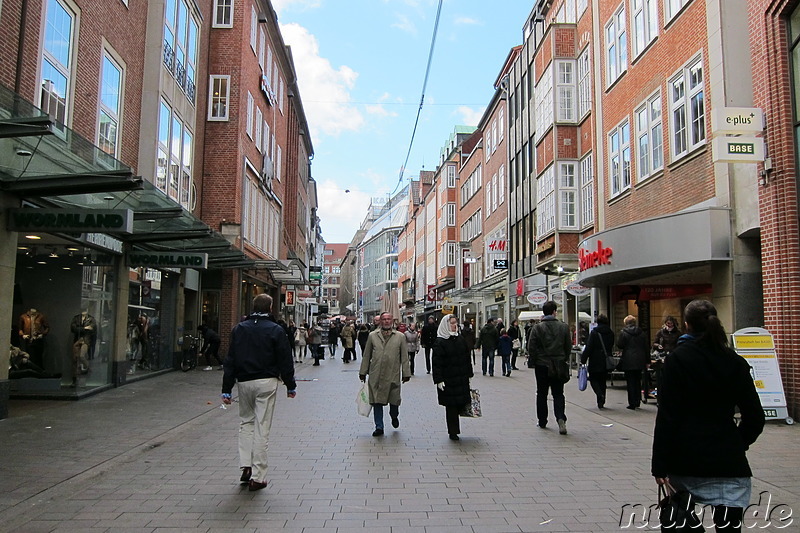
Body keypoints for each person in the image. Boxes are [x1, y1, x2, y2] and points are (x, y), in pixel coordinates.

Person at [652, 300, 765, 532]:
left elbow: (667, 416)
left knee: (682, 519)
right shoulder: (735, 362)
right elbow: (755, 416)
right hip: (728, 461)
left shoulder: (677, 360)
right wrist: (737, 442)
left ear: (686, 325)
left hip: (685, 459)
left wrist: (659, 466)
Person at [221, 294, 297, 491]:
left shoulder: (239, 329)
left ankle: (245, 466)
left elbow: (230, 359)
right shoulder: (275, 330)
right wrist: (290, 384)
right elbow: (285, 359)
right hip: (266, 381)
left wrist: (226, 389)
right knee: (262, 426)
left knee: (246, 423)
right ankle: (258, 475)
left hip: (244, 381)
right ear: (270, 308)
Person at [359, 312, 411, 437]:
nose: (386, 321)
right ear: (380, 321)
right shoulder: (372, 336)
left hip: (392, 374)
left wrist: (406, 373)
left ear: (392, 321)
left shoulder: (399, 336)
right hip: (375, 374)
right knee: (376, 401)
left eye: (389, 319)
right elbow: (367, 355)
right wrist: (363, 372)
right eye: (384, 319)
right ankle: (379, 426)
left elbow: (404, 356)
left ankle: (394, 415)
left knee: (394, 400)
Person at [526, 301, 572, 434]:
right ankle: (560, 418)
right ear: (554, 312)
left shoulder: (537, 328)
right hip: (558, 363)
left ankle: (542, 420)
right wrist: (563, 358)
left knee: (541, 393)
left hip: (542, 365)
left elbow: (531, 347)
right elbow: (567, 346)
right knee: (558, 394)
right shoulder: (563, 327)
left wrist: (534, 361)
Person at [432, 314, 473, 441]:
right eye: (452, 323)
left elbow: (467, 358)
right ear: (445, 325)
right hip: (448, 379)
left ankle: (455, 428)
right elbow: (437, 362)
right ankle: (453, 431)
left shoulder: (460, 339)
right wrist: (439, 379)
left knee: (461, 402)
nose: (455, 326)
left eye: (455, 323)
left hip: (461, 377)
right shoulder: (440, 342)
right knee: (451, 406)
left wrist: (469, 374)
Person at [580, 313, 614, 409]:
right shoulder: (610, 333)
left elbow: (589, 347)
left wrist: (583, 359)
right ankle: (601, 401)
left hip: (595, 359)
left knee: (593, 379)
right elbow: (611, 345)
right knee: (602, 381)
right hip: (605, 360)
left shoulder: (594, 333)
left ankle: (599, 394)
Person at [616, 315, 650, 410]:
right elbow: (646, 347)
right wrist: (647, 360)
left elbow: (620, 345)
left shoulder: (623, 333)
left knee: (630, 381)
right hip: (640, 359)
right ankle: (637, 400)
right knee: (638, 380)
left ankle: (632, 402)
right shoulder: (641, 333)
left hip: (628, 359)